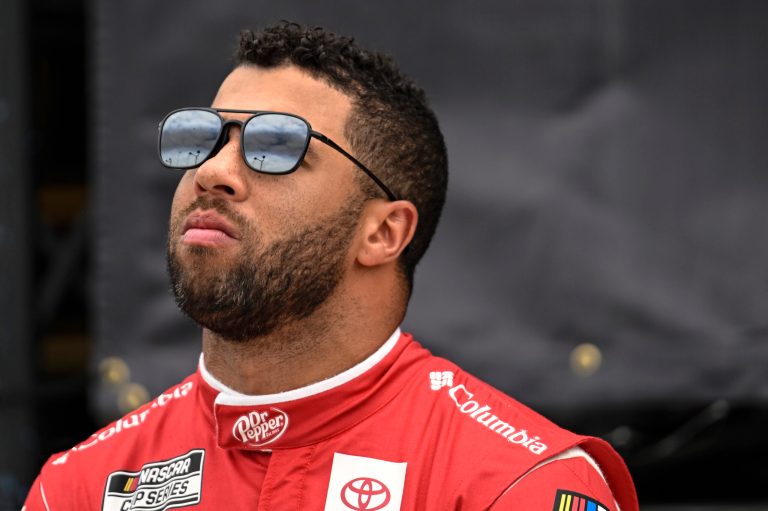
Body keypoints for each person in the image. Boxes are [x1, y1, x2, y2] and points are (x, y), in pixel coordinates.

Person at [24, 21, 638, 510]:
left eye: (275, 147)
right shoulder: (80, 487)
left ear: (383, 232)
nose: (212, 172)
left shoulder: (514, 485)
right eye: (205, 136)